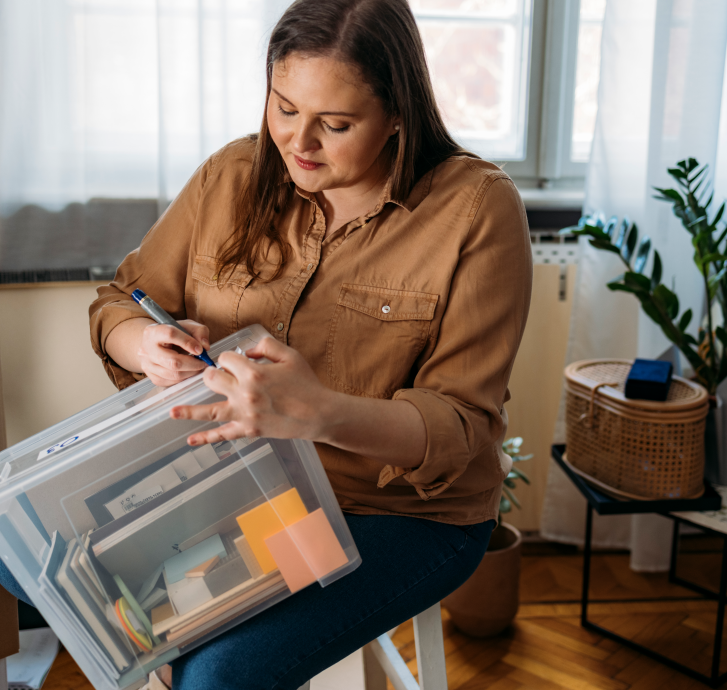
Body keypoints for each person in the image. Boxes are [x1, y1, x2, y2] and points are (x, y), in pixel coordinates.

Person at [0, 1, 532, 688]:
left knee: (218, 675)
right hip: (227, 486)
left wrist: (320, 412)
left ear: (398, 113)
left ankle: (176, 659)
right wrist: (146, 344)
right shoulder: (231, 175)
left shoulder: (475, 211)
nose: (298, 143)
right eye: (283, 108)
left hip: (388, 512)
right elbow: (119, 301)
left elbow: (463, 431)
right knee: (15, 541)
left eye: (335, 125)